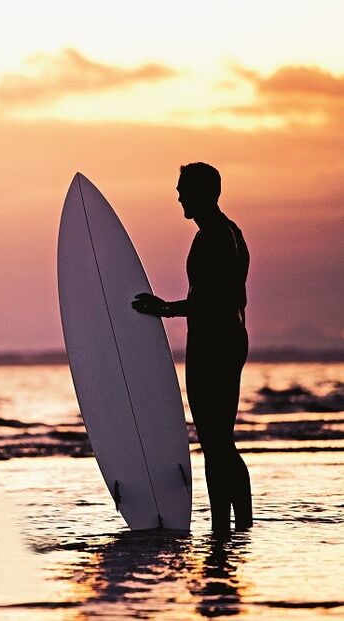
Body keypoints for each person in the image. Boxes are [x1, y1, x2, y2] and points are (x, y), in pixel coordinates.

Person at [131, 162, 252, 536]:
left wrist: (163, 308)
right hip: (227, 341)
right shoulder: (230, 231)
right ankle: (238, 526)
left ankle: (223, 530)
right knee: (220, 441)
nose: (178, 195)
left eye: (184, 188)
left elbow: (213, 301)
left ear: (202, 192)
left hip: (214, 346)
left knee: (215, 443)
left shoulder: (214, 236)